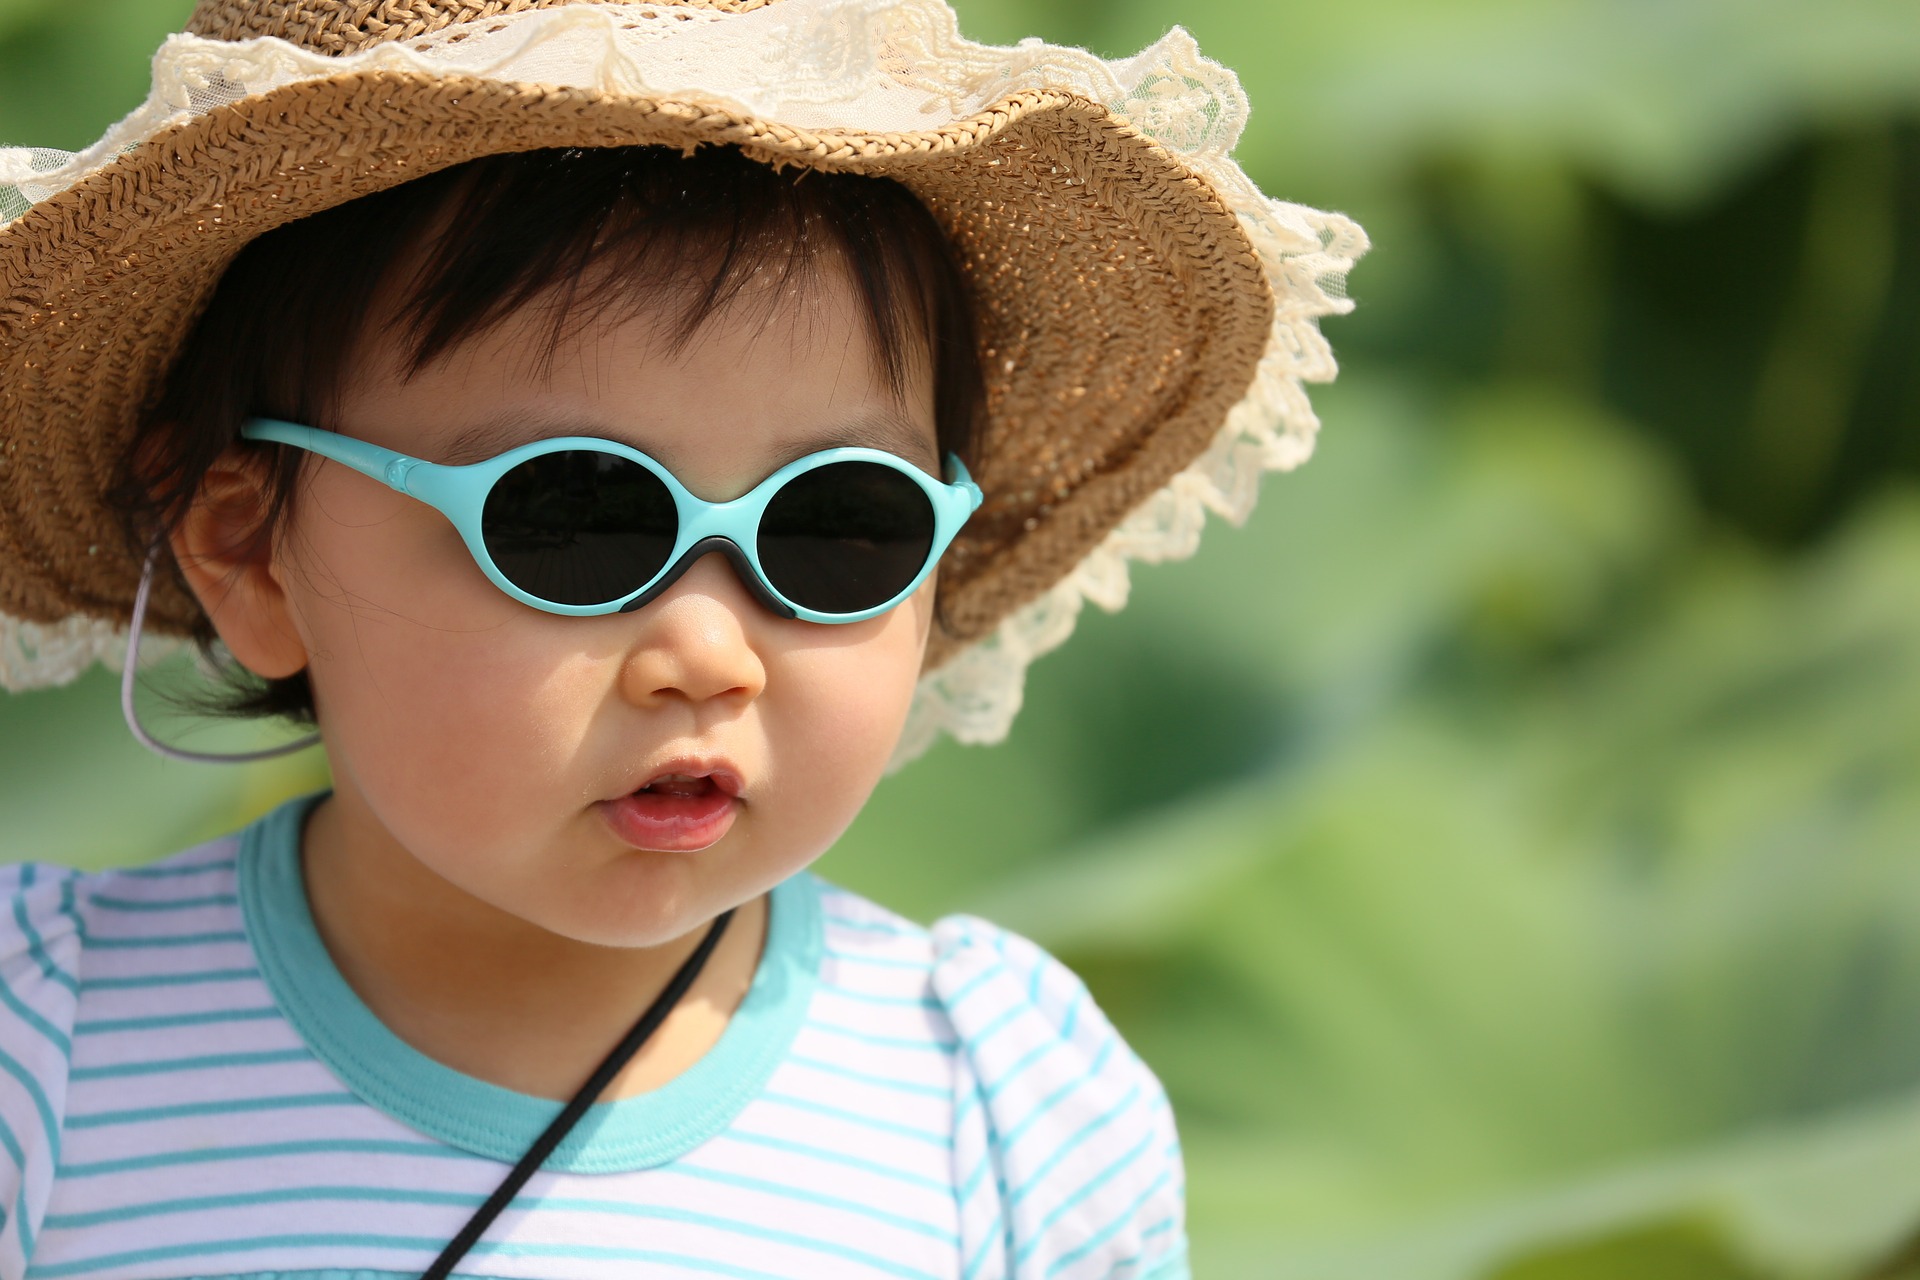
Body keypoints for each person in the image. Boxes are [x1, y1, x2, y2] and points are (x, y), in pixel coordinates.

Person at [0, 1, 1364, 1276]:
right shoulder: (43, 1049)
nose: (709, 652)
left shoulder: (1002, 1107)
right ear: (250, 551)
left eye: (839, 521)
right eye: (575, 516)